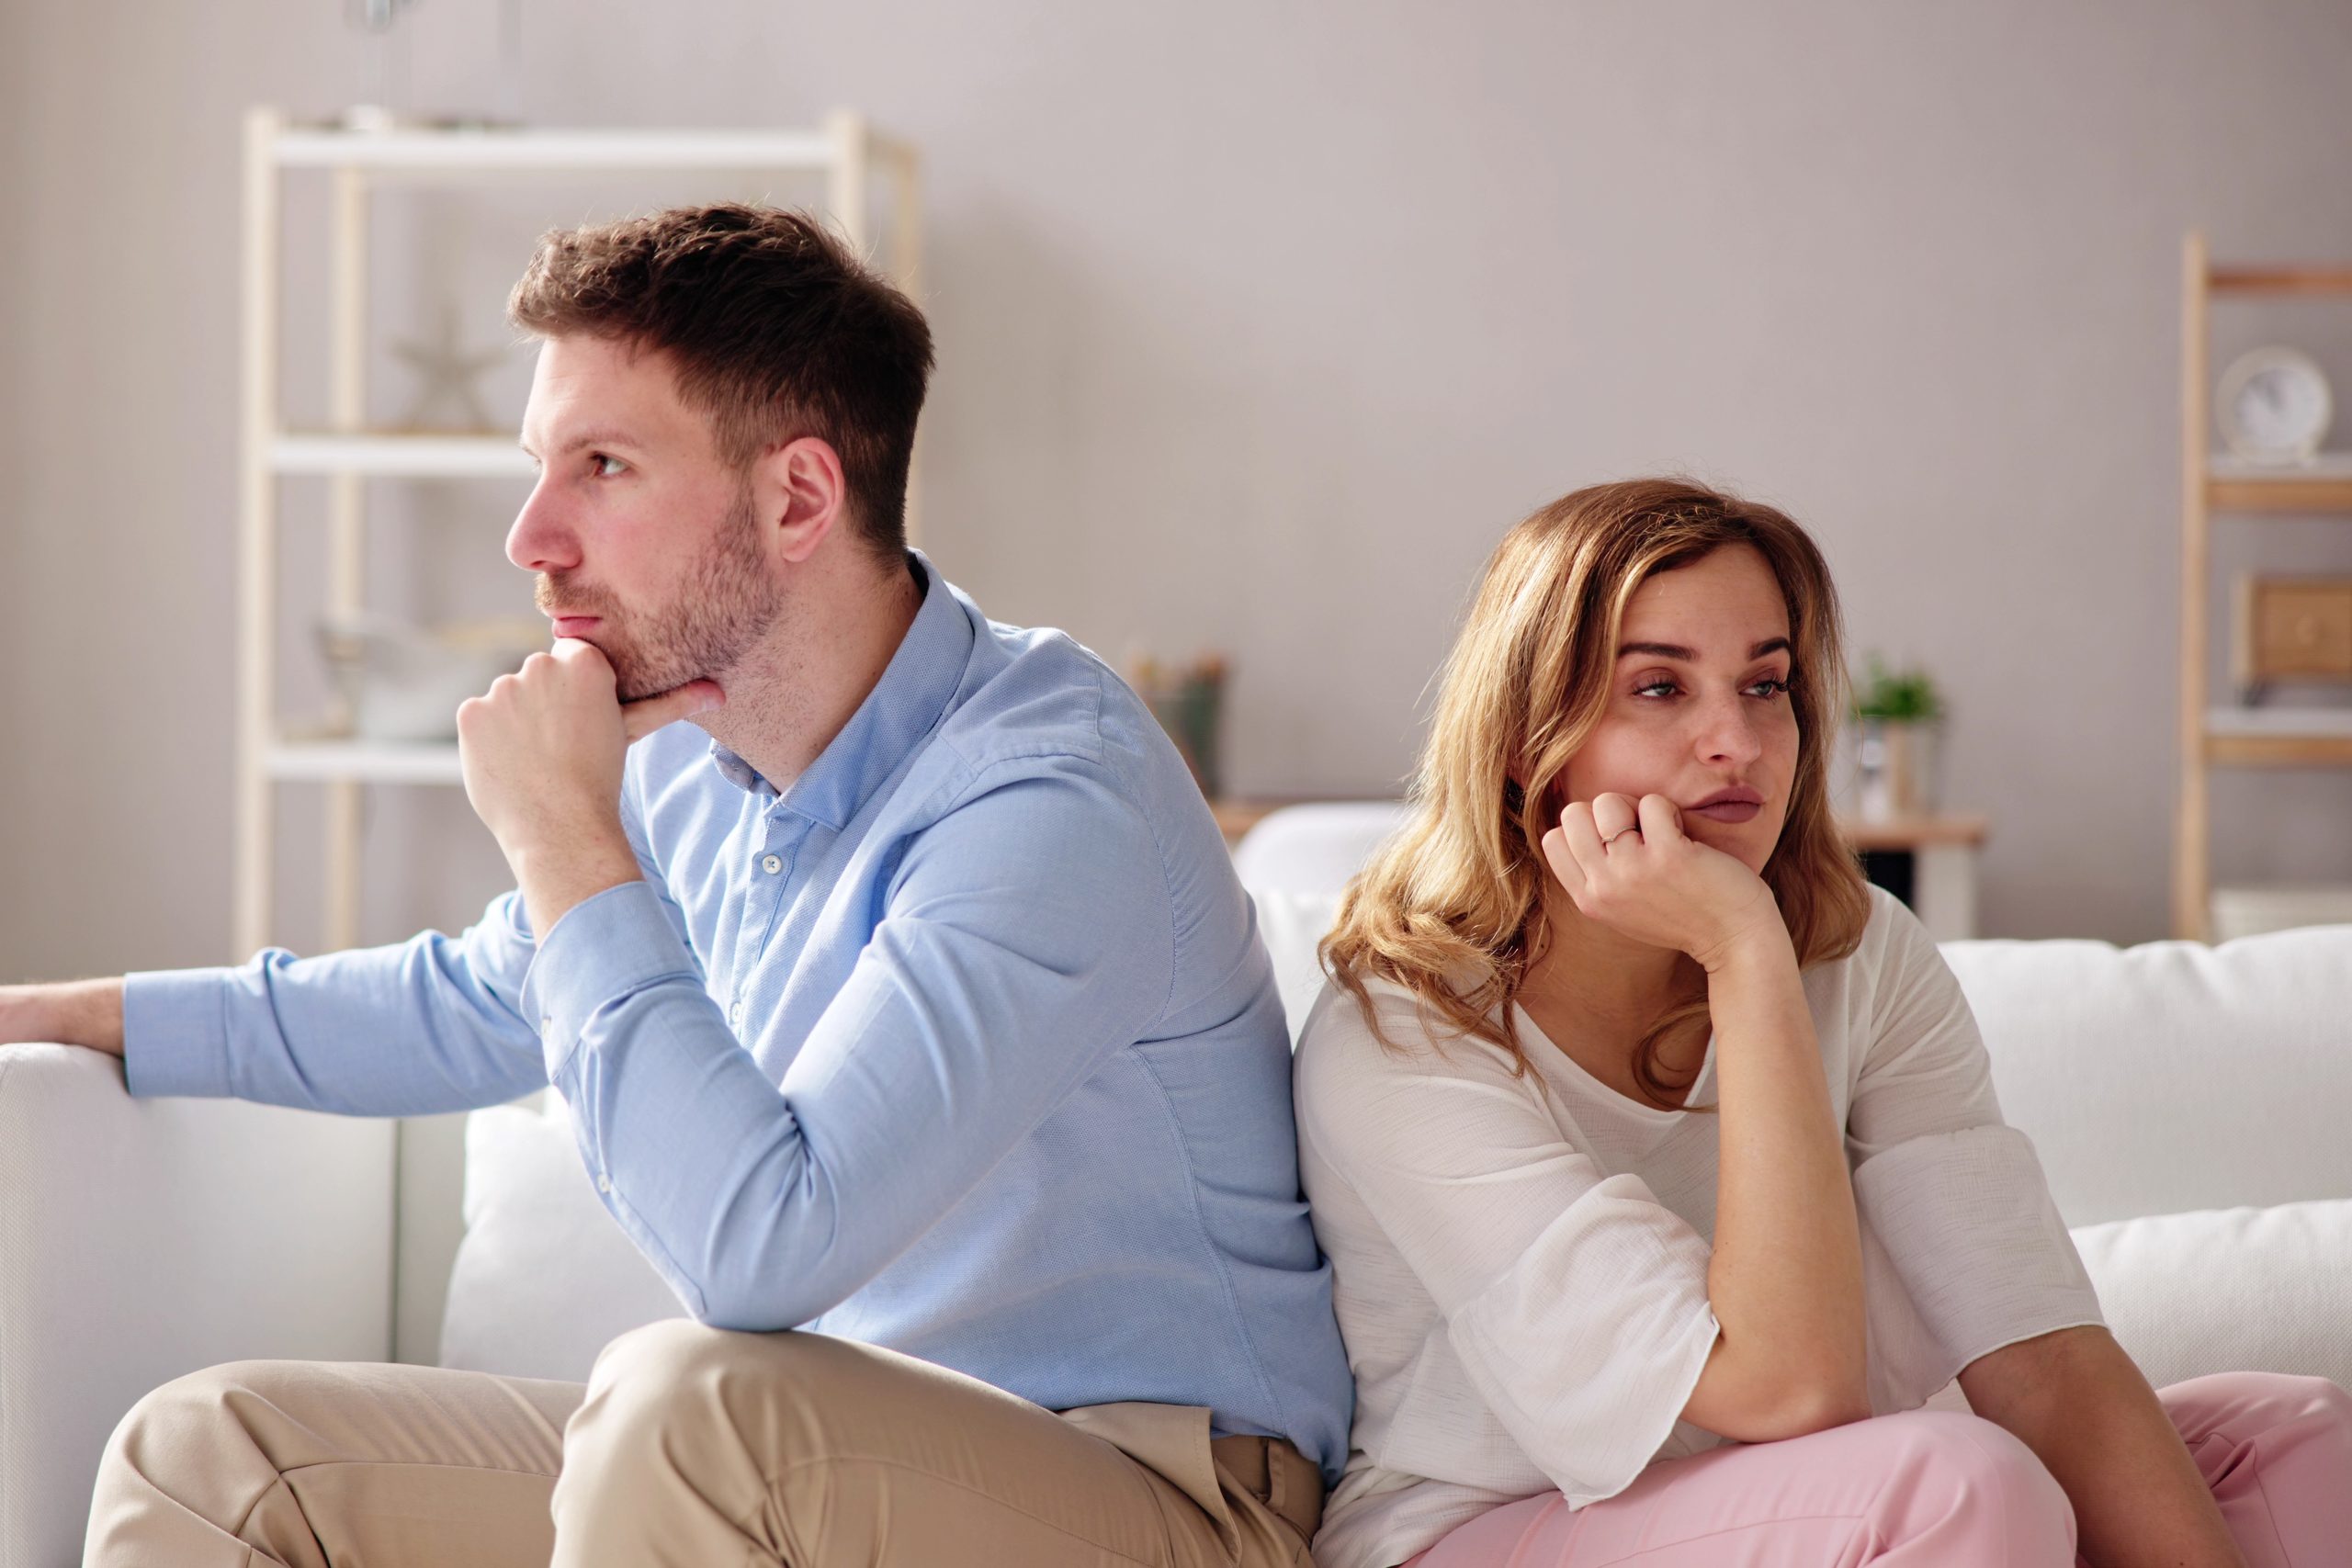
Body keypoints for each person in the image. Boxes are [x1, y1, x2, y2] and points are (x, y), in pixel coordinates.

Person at [4, 203, 1350, 1568]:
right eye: (540, 466)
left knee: (684, 1405)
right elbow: (478, 997)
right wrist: (67, 1012)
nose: (531, 536)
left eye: (602, 466)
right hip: (818, 1462)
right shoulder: (696, 767)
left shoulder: (1054, 795)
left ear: (798, 498)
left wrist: (564, 839)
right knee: (218, 1456)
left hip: (1163, 1493)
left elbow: (760, 1251)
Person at [1292, 478, 2352, 1568]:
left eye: (1765, 684)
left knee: (2288, 1439)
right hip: (1487, 1531)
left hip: (1818, 1500)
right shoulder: (1404, 1031)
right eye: (1658, 687)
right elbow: (1788, 1390)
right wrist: (1743, 956)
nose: (1736, 741)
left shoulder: (1864, 952)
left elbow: (2036, 1352)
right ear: (1524, 739)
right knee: (1959, 1487)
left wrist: (1755, 948)